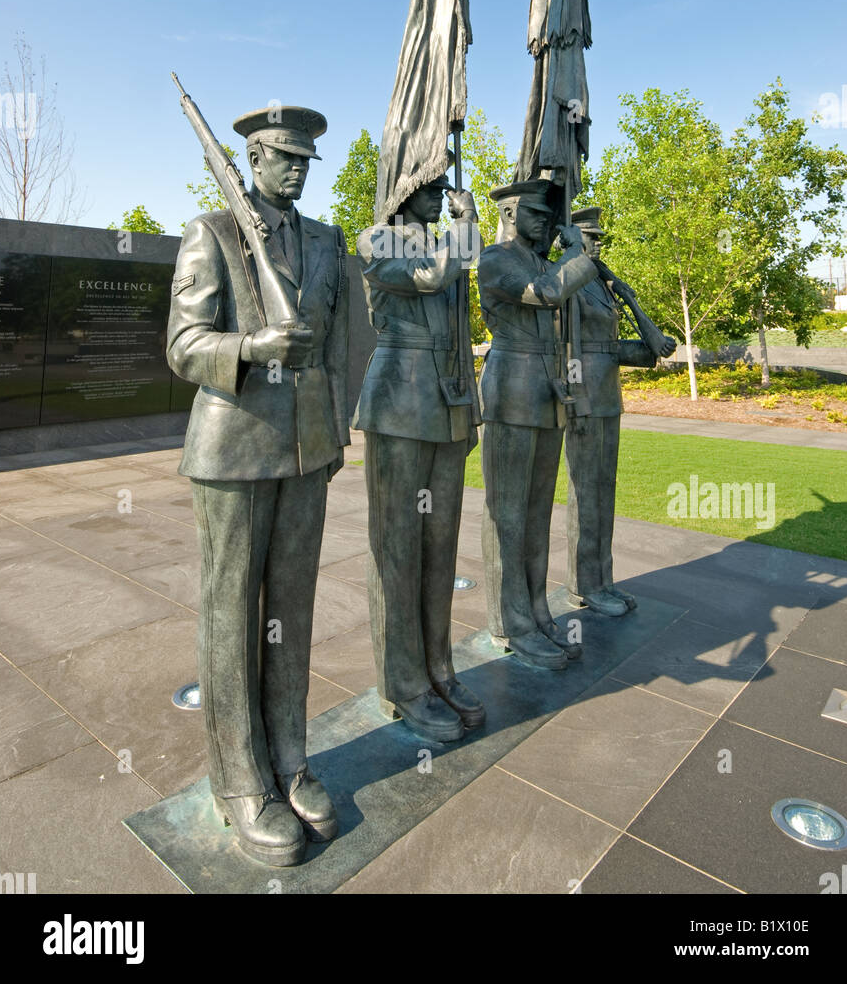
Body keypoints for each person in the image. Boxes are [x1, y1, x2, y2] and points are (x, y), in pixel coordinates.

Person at [167, 104, 349, 867]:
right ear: (251, 158)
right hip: (235, 449)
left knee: (292, 614)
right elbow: (183, 345)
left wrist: (335, 433)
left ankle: (289, 759)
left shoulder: (326, 241)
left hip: (306, 449)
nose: (299, 167)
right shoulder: (211, 232)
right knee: (233, 616)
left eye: (307, 156)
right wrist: (254, 345)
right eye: (284, 155)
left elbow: (339, 343)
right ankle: (241, 781)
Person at [354, 168, 484, 743]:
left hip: (448, 397)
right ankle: (402, 682)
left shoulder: (446, 242)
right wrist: (467, 224)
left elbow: (462, 297)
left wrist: (469, 406)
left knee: (440, 544)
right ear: (404, 195)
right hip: (400, 398)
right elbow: (434, 278)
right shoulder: (376, 239)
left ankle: (438, 668)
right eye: (433, 191)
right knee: (398, 545)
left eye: (444, 191)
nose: (444, 199)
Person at [477, 180, 598, 669]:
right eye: (535, 211)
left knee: (536, 512)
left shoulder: (544, 261)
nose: (547, 220)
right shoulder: (494, 259)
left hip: (547, 389)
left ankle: (536, 610)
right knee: (507, 515)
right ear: (509, 211)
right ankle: (511, 622)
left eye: (550, 213)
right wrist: (580, 253)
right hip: (512, 387)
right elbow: (546, 295)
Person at [565, 205, 676, 616]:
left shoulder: (601, 284)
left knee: (603, 492)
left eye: (598, 240)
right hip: (585, 400)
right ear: (572, 239)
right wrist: (573, 397)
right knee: (586, 495)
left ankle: (602, 580)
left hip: (608, 397)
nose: (597, 245)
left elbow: (605, 348)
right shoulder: (569, 284)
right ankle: (584, 584)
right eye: (590, 238)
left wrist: (644, 338)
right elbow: (567, 347)